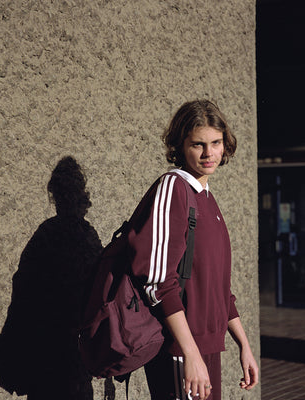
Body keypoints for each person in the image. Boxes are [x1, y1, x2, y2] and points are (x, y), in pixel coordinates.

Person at [127, 99, 259, 400]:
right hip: (181, 348)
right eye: (198, 144)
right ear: (180, 145)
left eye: (216, 142)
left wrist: (244, 344)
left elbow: (217, 287)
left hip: (207, 347)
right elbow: (158, 281)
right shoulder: (173, 188)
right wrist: (190, 353)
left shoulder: (207, 198)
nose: (209, 153)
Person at [0, 156, 103, 400]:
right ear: (82, 195)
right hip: (77, 358)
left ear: (54, 195)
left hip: (45, 356)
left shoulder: (46, 236)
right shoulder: (88, 237)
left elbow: (22, 298)